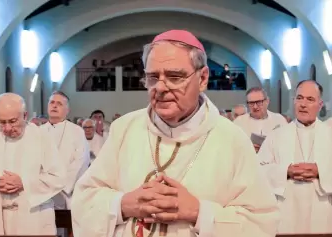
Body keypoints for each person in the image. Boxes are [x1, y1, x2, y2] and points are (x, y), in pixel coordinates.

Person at [71, 29, 279, 237]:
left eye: (174, 76)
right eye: (152, 77)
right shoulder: (124, 129)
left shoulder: (232, 140)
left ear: (203, 78)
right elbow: (84, 200)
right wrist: (123, 204)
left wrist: (199, 213)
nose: (160, 87)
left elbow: (261, 223)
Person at [258, 80, 332, 234]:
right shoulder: (277, 135)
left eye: (310, 99)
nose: (303, 104)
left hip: (322, 211)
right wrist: (285, 171)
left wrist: (320, 171)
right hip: (287, 212)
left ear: (320, 105)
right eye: (299, 98)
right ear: (294, 101)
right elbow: (257, 170)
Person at [0, 93, 65, 235]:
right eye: (2, 122)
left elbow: (58, 177)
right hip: (1, 216)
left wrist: (24, 183)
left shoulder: (41, 137)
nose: (7, 128)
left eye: (12, 121)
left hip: (35, 217)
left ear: (25, 115)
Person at [41, 91, 90, 210]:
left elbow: (81, 161)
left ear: (67, 110)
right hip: (42, 191)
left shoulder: (77, 131)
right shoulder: (37, 131)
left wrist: (62, 185)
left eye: (59, 103)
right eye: (52, 102)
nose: (54, 105)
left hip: (66, 191)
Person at [233, 87, 287, 152]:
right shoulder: (239, 122)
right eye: (251, 103)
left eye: (258, 102)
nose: (255, 107)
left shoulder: (279, 120)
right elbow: (231, 146)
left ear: (267, 101)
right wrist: (248, 148)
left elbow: (287, 143)